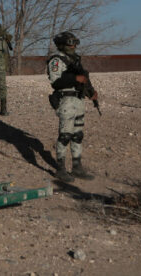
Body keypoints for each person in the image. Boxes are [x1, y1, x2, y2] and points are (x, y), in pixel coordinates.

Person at [47, 31, 96, 182]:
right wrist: (75, 78)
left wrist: (92, 92)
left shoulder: (74, 60)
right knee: (65, 135)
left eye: (74, 43)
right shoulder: (56, 60)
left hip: (78, 100)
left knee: (77, 135)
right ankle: (60, 169)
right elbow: (56, 82)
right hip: (66, 101)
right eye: (70, 43)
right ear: (62, 45)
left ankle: (77, 167)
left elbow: (84, 79)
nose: (73, 46)